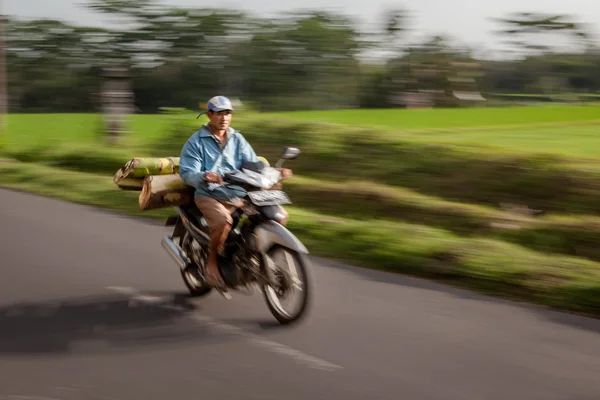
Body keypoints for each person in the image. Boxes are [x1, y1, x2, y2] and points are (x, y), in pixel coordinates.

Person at [179, 96, 291, 298]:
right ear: (209, 115)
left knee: (279, 215)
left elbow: (253, 163)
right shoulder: (196, 142)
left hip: (238, 193)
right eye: (219, 113)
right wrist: (205, 175)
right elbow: (187, 172)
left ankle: (252, 257)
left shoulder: (237, 138)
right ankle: (212, 264)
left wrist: (275, 172)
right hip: (209, 194)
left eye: (228, 113)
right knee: (224, 221)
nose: (224, 118)